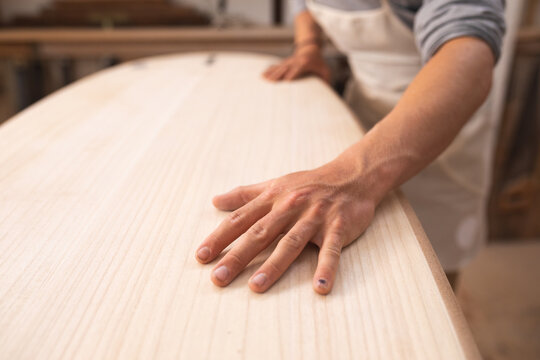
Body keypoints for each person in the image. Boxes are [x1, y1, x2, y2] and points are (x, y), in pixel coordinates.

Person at [195, 0, 506, 294]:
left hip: (439, 131)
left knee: (426, 280)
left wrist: (353, 175)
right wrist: (309, 47)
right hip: (363, 117)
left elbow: (470, 56)